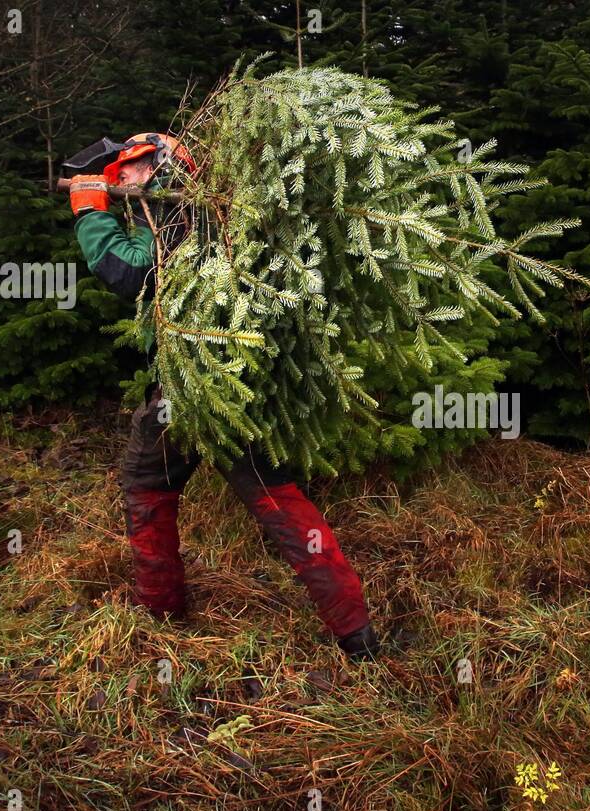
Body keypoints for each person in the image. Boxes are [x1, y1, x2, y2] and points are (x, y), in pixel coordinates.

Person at [67, 133, 381, 661]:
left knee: (151, 489)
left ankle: (160, 611)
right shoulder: (215, 211)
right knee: (270, 495)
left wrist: (89, 213)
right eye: (117, 175)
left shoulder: (172, 214)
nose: (121, 181)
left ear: (156, 168)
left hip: (195, 388)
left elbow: (130, 273)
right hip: (231, 383)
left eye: (127, 172)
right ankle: (356, 633)